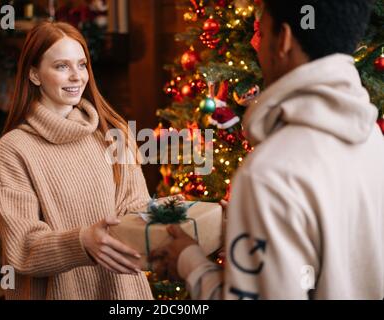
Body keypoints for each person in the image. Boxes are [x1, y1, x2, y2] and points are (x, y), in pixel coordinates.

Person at [150, 0, 384, 299]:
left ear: (283, 39)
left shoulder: (271, 171)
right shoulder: (372, 138)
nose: (257, 46)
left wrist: (189, 261)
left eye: (262, 31)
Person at [0, 21, 153, 300]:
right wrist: (82, 242)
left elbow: (136, 208)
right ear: (34, 75)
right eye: (62, 66)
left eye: (82, 65)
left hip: (121, 291)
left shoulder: (114, 133)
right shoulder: (14, 148)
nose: (77, 76)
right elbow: (22, 244)